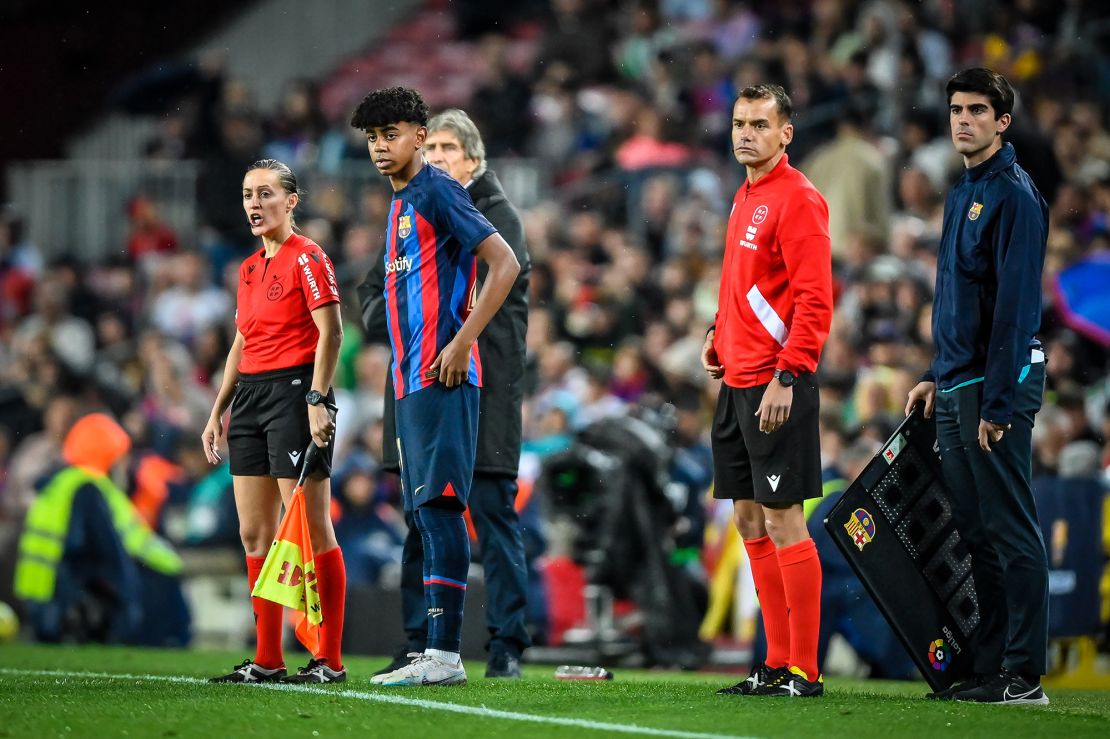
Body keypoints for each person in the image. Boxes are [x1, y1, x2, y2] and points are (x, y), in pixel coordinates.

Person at [349, 87, 520, 687]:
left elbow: (506, 263)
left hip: (443, 377)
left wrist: (464, 340)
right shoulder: (399, 203)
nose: (379, 148)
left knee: (443, 509)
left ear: (419, 135)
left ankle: (445, 655)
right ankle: (434, 650)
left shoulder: (437, 191)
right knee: (426, 514)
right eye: (371, 138)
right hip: (410, 382)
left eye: (390, 134)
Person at [905, 68, 1050, 705]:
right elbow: (958, 300)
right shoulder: (962, 191)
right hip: (958, 383)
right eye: (957, 109)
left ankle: (1025, 674)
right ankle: (991, 666)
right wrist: (937, 375)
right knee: (974, 531)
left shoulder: (1015, 196)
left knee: (1011, 528)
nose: (963, 119)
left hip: (997, 387)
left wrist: (996, 401)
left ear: (1002, 122)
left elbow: (1016, 311)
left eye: (977, 110)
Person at [702, 84, 833, 698]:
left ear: (786, 133)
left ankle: (804, 669)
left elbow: (813, 299)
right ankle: (774, 662)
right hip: (736, 381)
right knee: (750, 520)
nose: (745, 133)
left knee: (785, 522)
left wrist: (789, 375)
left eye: (759, 124)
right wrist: (718, 335)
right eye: (738, 123)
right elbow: (750, 288)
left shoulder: (799, 199)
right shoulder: (746, 194)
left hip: (775, 385)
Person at [202, 159, 347, 684]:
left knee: (310, 526)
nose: (254, 204)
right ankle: (268, 659)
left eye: (266, 193)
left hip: (293, 393)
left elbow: (331, 333)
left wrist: (316, 397)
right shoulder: (247, 268)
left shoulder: (308, 258)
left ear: (292, 201)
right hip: (251, 400)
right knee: (254, 532)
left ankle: (329, 659)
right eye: (247, 194)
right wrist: (219, 408)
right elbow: (241, 341)